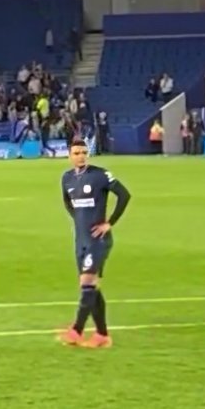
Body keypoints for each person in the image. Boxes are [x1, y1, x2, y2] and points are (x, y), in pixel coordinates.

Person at [59, 139, 132, 349]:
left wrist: (109, 223)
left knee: (87, 282)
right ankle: (102, 335)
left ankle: (76, 331)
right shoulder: (66, 178)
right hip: (80, 239)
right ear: (70, 156)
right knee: (92, 287)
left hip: (98, 240)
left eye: (83, 152)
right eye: (76, 153)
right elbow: (67, 203)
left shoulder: (100, 175)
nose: (80, 156)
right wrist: (78, 220)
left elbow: (124, 195)